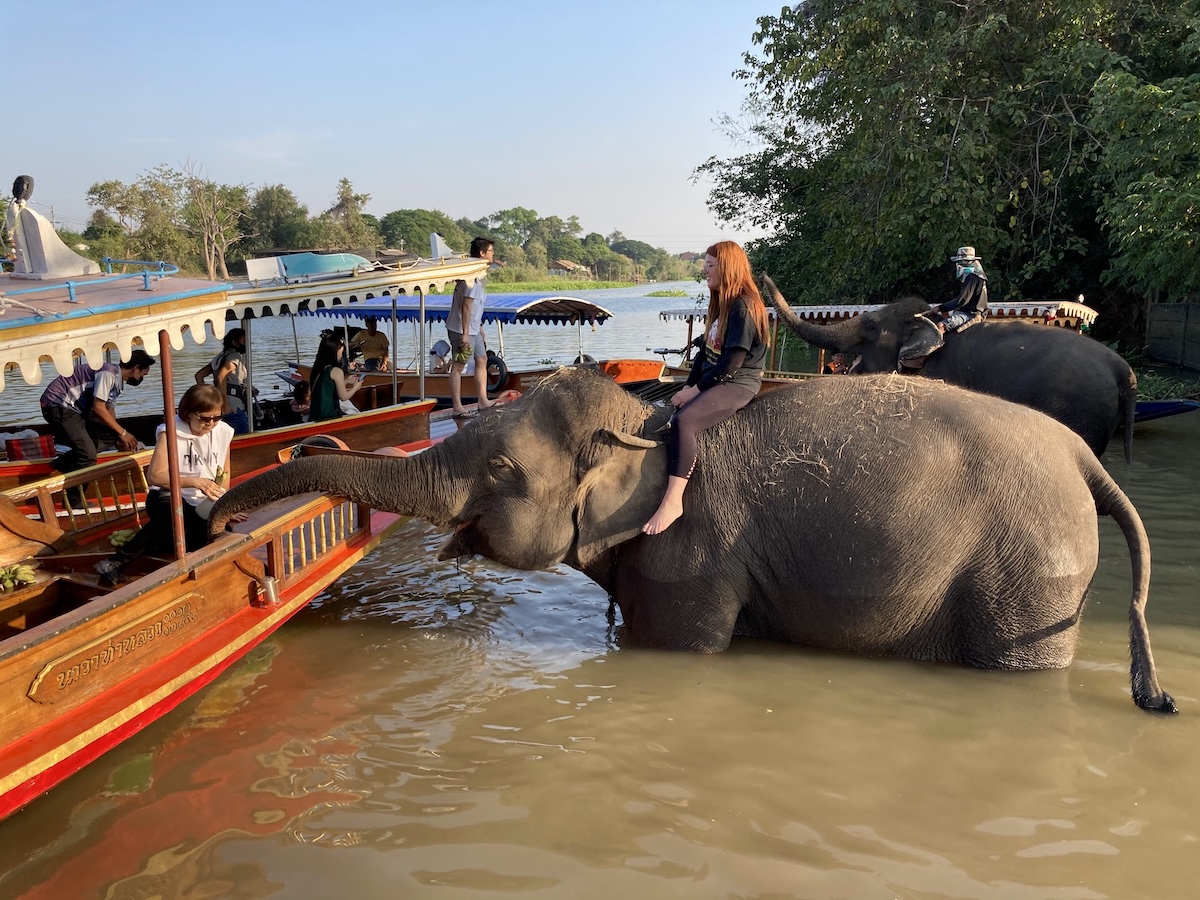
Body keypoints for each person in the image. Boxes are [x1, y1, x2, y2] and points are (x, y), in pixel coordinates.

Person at [643, 240, 770, 535]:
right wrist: (686, 387)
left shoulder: (744, 306)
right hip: (714, 379)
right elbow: (705, 355)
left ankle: (674, 501)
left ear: (727, 267)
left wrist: (694, 392)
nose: (705, 271)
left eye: (710, 265)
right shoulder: (721, 304)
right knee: (671, 410)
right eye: (706, 265)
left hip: (738, 382)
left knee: (685, 422)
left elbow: (730, 364)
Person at [94, 385, 235, 586]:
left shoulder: (223, 432)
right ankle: (115, 562)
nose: (210, 424)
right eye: (204, 418)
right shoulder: (170, 431)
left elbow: (225, 474)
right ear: (188, 414)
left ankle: (159, 550)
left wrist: (225, 504)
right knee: (174, 516)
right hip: (168, 493)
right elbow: (156, 476)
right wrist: (194, 481)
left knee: (214, 531)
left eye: (216, 418)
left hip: (202, 500)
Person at [39, 348, 155, 490]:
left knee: (109, 436)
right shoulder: (108, 373)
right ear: (136, 369)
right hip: (58, 404)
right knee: (88, 456)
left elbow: (109, 412)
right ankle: (74, 497)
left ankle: (63, 464)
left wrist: (119, 436)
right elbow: (98, 407)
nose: (142, 378)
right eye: (143, 374)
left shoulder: (118, 383)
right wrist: (124, 433)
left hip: (75, 410)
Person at [447, 236, 496, 418]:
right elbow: (466, 306)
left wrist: (480, 326)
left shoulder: (479, 276)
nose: (493, 254)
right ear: (482, 253)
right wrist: (466, 335)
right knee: (459, 366)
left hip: (473, 328)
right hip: (461, 329)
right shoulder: (472, 277)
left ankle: (483, 401)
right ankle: (457, 407)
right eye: (490, 251)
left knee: (482, 359)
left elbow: (476, 307)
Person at [194, 327, 249, 434]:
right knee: (243, 434)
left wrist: (209, 398)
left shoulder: (220, 356)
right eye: (243, 341)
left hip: (219, 404)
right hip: (233, 406)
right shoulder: (234, 357)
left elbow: (199, 376)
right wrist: (225, 403)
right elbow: (221, 377)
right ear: (235, 342)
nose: (246, 344)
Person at [309, 331, 361, 422]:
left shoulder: (319, 368)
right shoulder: (336, 371)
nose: (341, 356)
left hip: (315, 414)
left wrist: (346, 381)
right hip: (329, 415)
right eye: (340, 353)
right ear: (333, 352)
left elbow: (329, 387)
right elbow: (343, 397)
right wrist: (355, 388)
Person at [935, 246, 989, 332]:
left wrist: (941, 307)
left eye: (961, 262)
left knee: (941, 325)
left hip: (969, 314)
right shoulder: (979, 276)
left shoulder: (972, 277)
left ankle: (937, 345)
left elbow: (962, 300)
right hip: (974, 313)